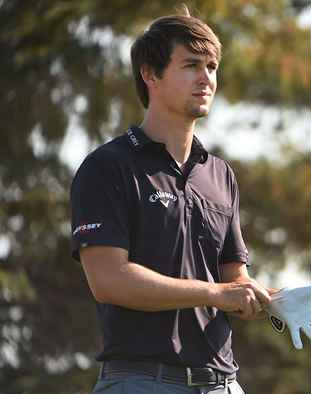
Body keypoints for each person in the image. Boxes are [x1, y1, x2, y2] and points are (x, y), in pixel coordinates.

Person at [70, 6, 271, 394]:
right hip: (142, 383)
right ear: (150, 74)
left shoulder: (220, 174)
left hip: (224, 385)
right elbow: (110, 281)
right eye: (191, 65)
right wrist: (217, 294)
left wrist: (275, 300)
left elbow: (233, 277)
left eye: (212, 66)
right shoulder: (107, 167)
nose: (206, 78)